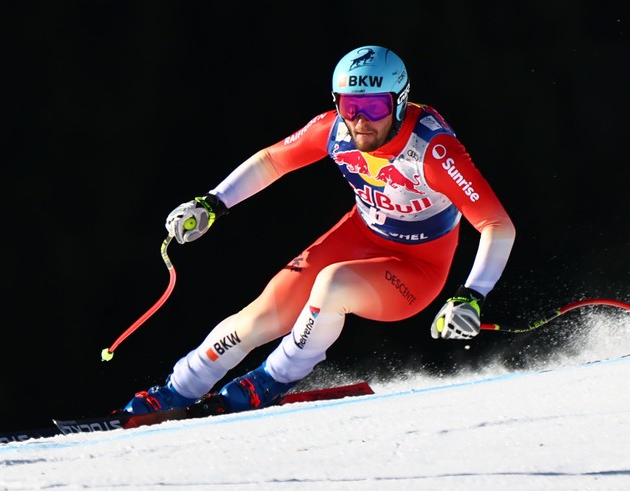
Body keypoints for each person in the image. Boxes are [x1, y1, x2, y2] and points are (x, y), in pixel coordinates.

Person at [121, 45, 516, 415]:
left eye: (375, 107)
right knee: (259, 317)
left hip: (417, 268)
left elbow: (497, 225)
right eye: (350, 105)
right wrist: (212, 203)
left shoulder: (432, 149)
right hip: (358, 237)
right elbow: (273, 161)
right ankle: (176, 389)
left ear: (400, 100)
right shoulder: (335, 130)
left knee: (333, 284)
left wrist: (471, 295)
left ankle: (271, 379)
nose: (361, 120)